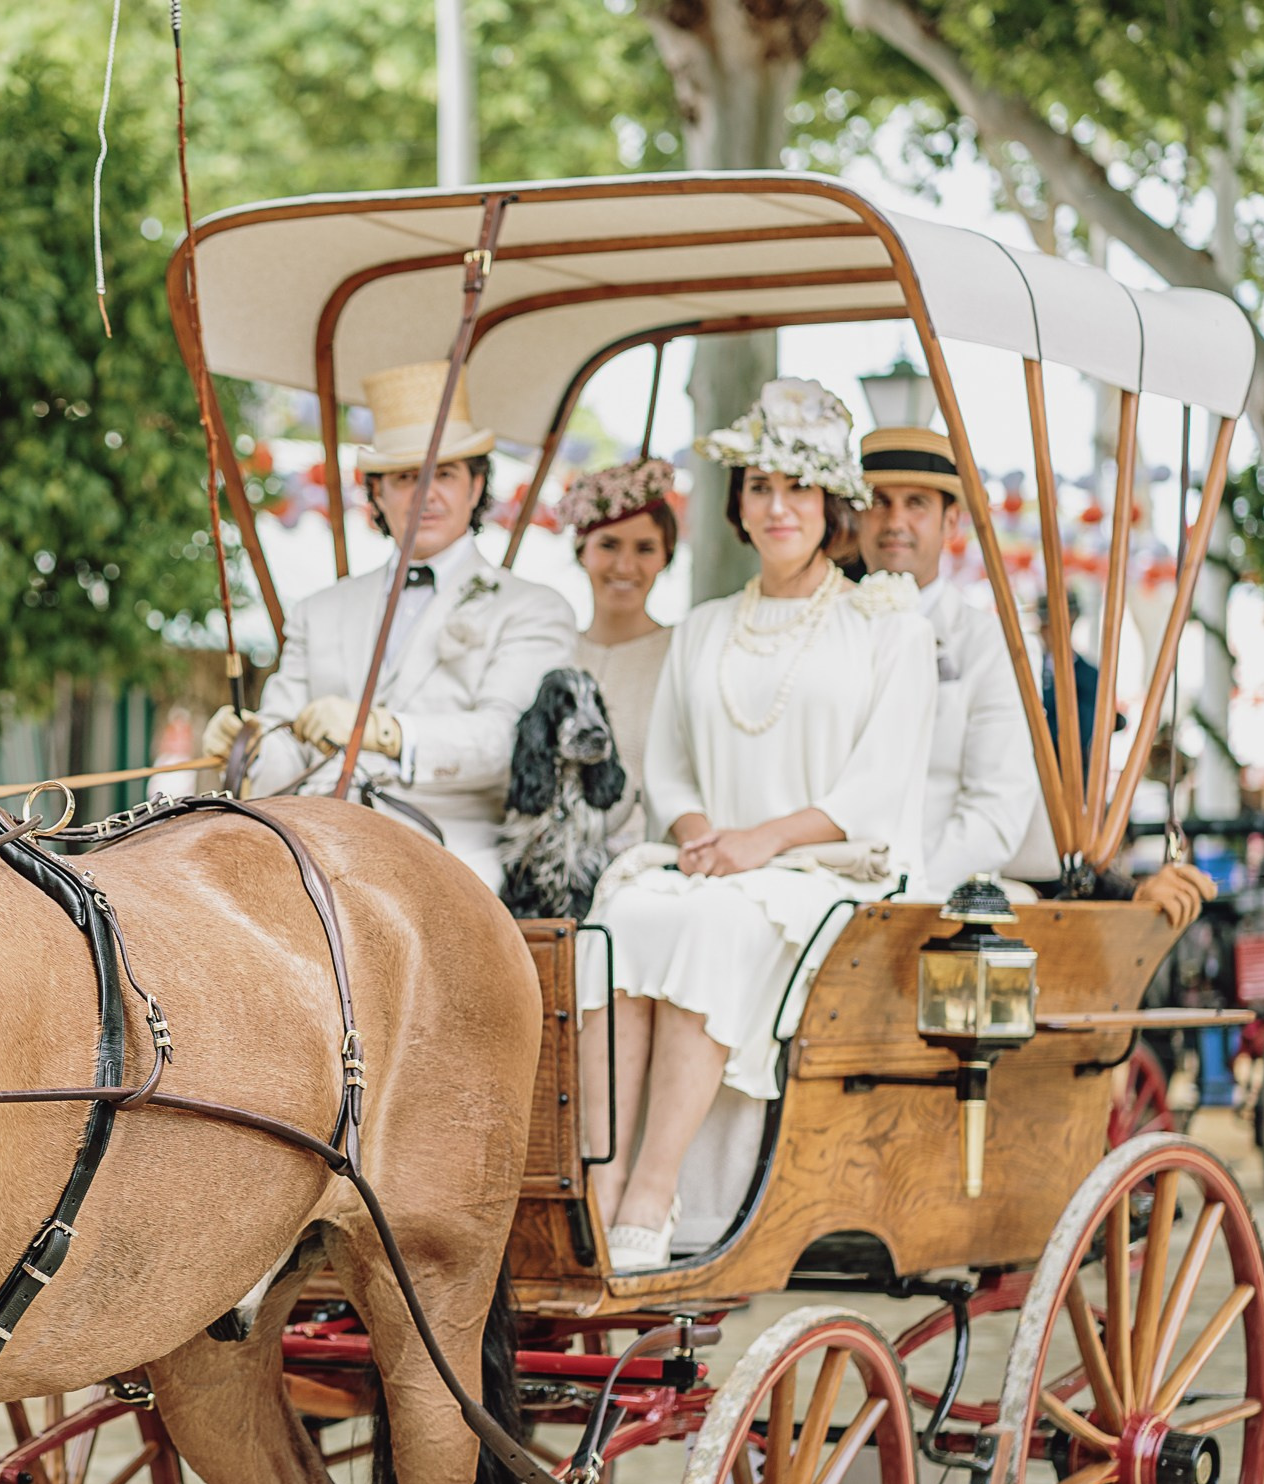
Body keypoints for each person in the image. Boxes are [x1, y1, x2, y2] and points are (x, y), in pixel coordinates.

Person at [583, 380, 937, 1270]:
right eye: (760, 487)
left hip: (831, 872)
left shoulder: (886, 625)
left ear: (831, 506)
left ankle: (656, 1193)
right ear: (739, 503)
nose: (778, 507)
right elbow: (667, 764)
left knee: (704, 922)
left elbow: (880, 784)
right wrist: (703, 830)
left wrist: (762, 841)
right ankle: (600, 1185)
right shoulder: (703, 628)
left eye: (799, 489)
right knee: (617, 921)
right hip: (712, 861)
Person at [199, 360, 576, 888]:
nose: (426, 494)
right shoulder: (319, 610)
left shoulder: (533, 608)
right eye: (405, 478)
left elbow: (503, 744)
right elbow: (284, 755)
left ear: (476, 486)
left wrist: (387, 732)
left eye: (444, 474)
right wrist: (249, 744)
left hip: (450, 842)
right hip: (309, 837)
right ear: (377, 493)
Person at [857, 426, 1042, 899]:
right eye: (879, 500)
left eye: (916, 503)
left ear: (950, 522)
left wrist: (898, 894)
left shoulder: (992, 646)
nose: (894, 520)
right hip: (820, 888)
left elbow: (995, 811)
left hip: (934, 897)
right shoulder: (822, 628)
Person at [555, 456, 677, 850]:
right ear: (582, 551)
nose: (625, 566)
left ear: (665, 557)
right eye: (609, 545)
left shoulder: (681, 653)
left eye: (644, 548)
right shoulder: (552, 650)